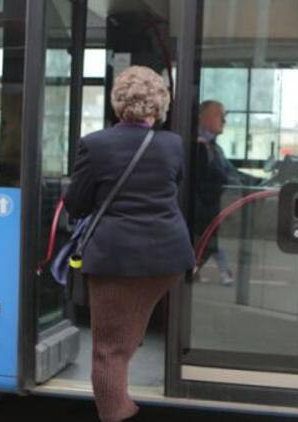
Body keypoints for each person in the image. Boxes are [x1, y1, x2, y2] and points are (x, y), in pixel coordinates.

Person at [63, 66, 194, 422]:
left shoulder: (94, 144)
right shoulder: (173, 144)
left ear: (118, 103)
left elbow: (77, 205)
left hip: (116, 261)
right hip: (168, 260)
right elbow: (172, 188)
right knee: (127, 336)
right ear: (159, 106)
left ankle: (117, 415)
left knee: (108, 352)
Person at [194, 100, 236, 285]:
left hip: (210, 209)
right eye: (220, 115)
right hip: (200, 210)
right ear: (204, 117)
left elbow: (231, 173)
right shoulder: (198, 146)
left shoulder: (214, 148)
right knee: (208, 243)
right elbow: (220, 175)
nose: (224, 121)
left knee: (209, 244)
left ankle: (194, 270)